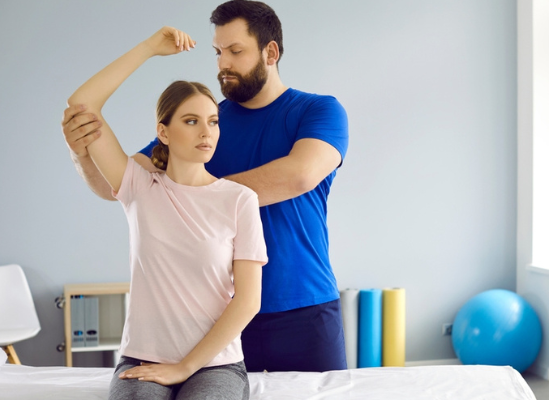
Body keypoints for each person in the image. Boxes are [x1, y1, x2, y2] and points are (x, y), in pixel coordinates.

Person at [61, 0, 349, 372]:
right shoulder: (204, 123)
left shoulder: (318, 110)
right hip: (216, 318)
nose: (222, 64)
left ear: (271, 52)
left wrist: (201, 192)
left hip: (304, 308)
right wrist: (81, 153)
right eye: (217, 52)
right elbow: (119, 185)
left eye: (235, 51)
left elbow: (299, 175)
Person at [67, 26, 268, 400]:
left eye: (212, 121)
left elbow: (248, 301)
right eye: (191, 121)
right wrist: (148, 49)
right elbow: (82, 103)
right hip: (141, 360)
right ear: (163, 131)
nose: (205, 132)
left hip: (215, 365)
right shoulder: (139, 186)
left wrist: (184, 367)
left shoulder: (240, 199)